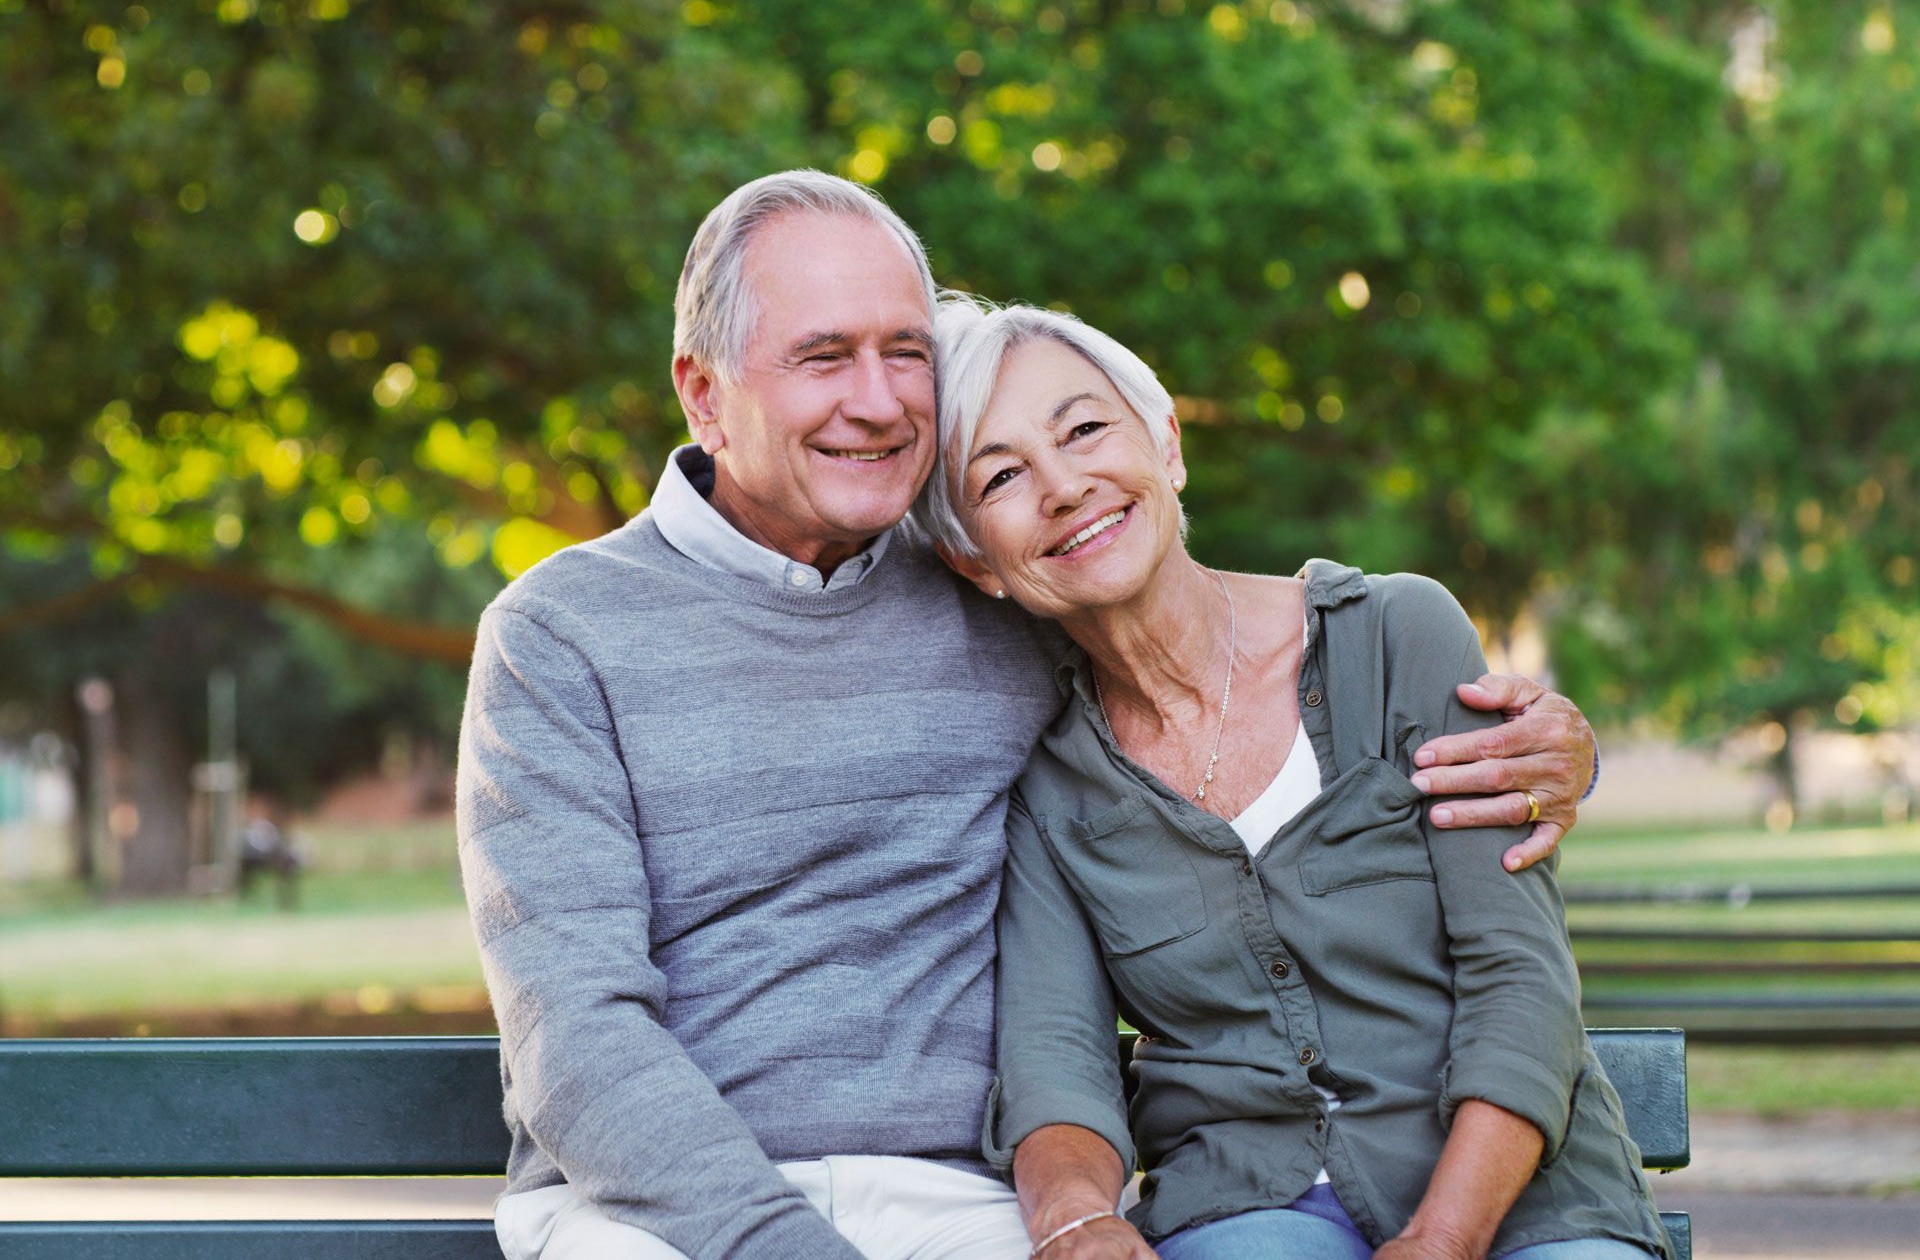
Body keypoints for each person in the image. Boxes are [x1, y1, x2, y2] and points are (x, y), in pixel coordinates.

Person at [456, 170, 1603, 1260]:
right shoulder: (562, 634)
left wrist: (1553, 745)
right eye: (822, 358)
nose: (876, 400)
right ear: (705, 393)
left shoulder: (1002, 584)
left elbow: (1203, 623)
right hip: (656, 1216)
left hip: (959, 1201)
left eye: (904, 352)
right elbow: (578, 1037)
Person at [914, 296, 1669, 1260]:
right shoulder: (1051, 786)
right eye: (1004, 475)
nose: (1063, 486)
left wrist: (1443, 1237)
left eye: (1087, 430)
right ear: (974, 559)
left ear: (1167, 446)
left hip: (1526, 1200)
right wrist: (1079, 1219)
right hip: (1249, 1209)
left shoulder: (1399, 635)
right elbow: (1057, 1064)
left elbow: (1519, 975)